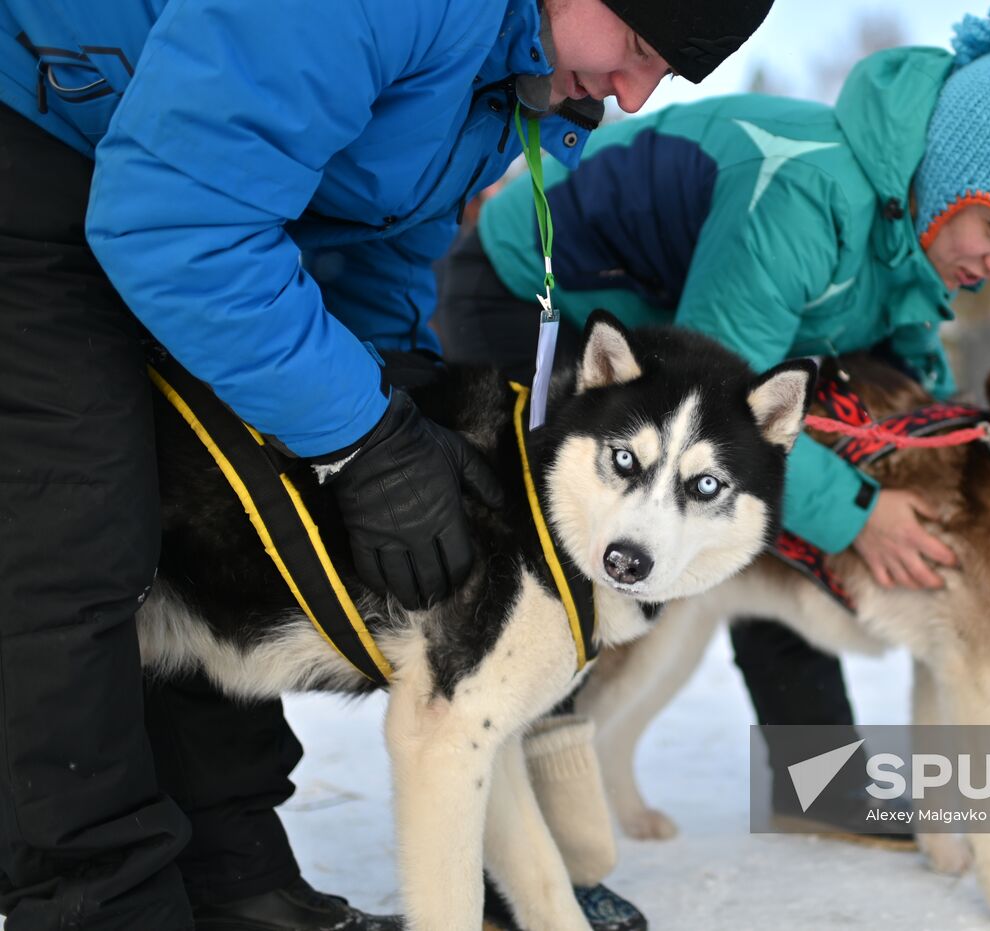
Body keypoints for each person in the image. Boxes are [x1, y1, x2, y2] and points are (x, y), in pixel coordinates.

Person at [0, 0, 775, 927]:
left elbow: (372, 238)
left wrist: (393, 394)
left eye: (669, 76)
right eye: (640, 47)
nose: (636, 95)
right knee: (79, 532)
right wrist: (361, 441)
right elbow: (174, 221)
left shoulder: (508, 80)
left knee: (235, 508)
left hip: (184, 187)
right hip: (40, 147)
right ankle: (100, 903)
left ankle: (234, 873)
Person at [439, 0, 990, 841]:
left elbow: (899, 377)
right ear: (948, 173)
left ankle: (815, 784)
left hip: (658, 336)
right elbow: (717, 412)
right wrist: (861, 511)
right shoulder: (807, 194)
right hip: (528, 289)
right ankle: (523, 832)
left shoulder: (907, 244)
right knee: (568, 547)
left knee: (767, 528)